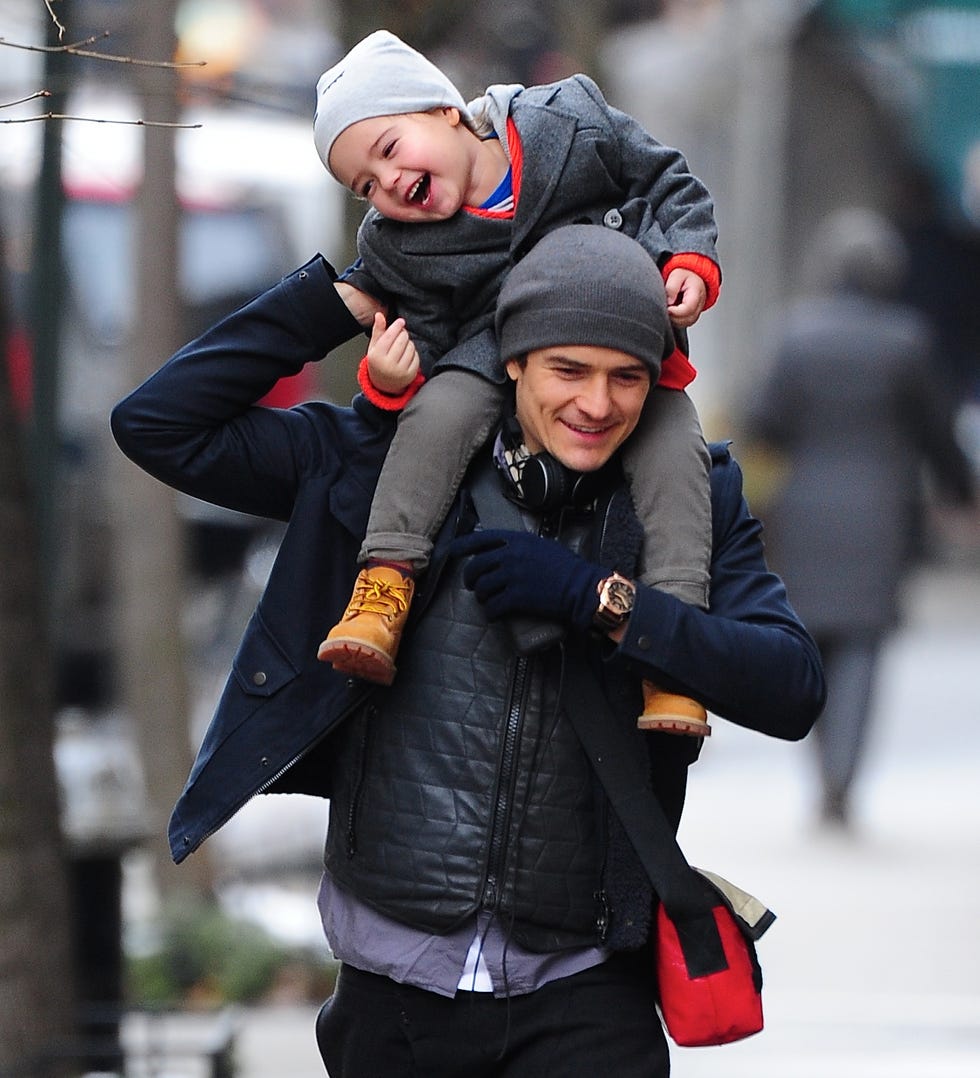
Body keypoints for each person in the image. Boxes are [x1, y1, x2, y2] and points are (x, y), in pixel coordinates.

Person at [111, 224, 825, 1077]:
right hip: (391, 993)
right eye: (569, 370)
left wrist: (602, 601)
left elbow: (790, 688)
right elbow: (158, 422)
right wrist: (351, 293)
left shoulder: (694, 499)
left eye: (626, 377)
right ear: (512, 360)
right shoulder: (379, 465)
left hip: (589, 991)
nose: (597, 404)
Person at [311, 30, 722, 735]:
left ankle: (671, 644)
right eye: (365, 186)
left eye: (387, 151)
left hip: (617, 340)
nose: (386, 187)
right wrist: (389, 379)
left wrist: (688, 259)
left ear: (444, 111)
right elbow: (431, 326)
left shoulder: (568, 120)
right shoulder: (396, 243)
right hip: (493, 356)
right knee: (438, 416)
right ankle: (385, 583)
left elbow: (666, 180)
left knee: (675, 452)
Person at [744, 207, 975, 829]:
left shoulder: (796, 334)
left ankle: (825, 771)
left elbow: (763, 421)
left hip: (807, 511)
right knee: (864, 651)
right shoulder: (907, 340)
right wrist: (959, 493)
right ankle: (844, 778)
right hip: (882, 512)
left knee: (810, 645)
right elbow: (937, 433)